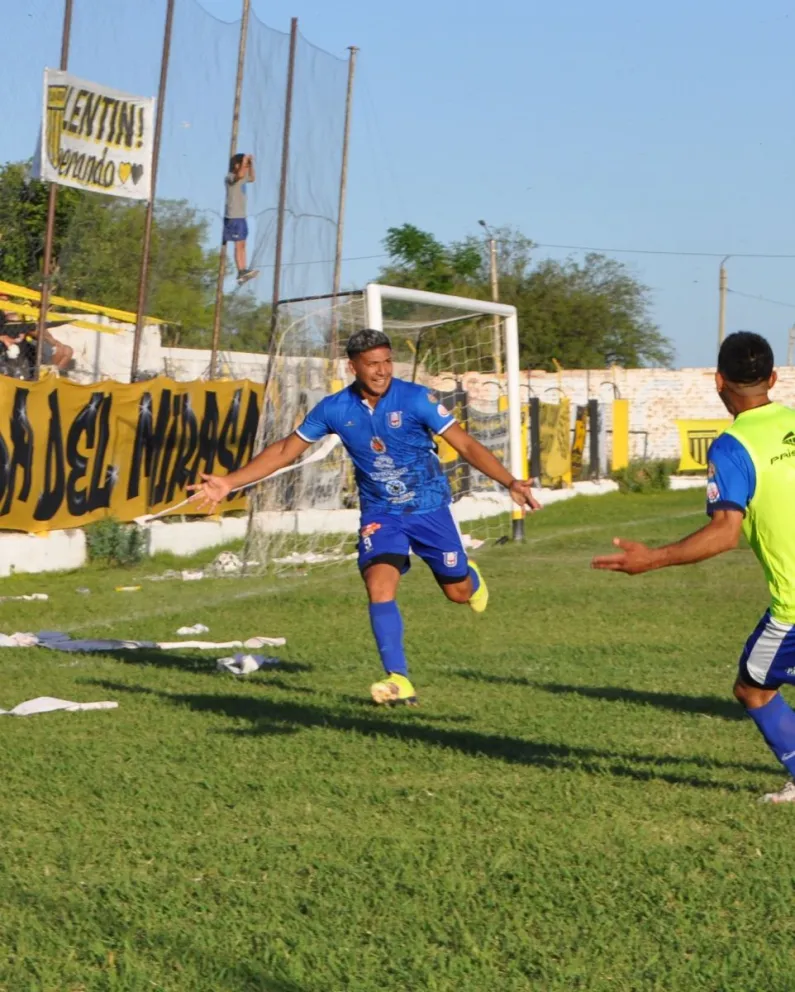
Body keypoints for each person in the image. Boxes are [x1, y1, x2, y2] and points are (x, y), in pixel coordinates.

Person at [190, 328, 541, 705]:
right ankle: (398, 679)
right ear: (352, 366)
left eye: (387, 361)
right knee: (379, 585)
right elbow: (283, 451)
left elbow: (466, 443)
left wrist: (509, 481)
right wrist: (230, 481)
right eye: (373, 364)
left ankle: (468, 575)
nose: (382, 370)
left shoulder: (416, 399)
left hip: (429, 509)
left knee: (458, 593)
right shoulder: (333, 408)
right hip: (380, 513)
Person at [592, 330, 795, 803]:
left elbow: (725, 532)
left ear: (718, 380)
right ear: (774, 378)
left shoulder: (732, 446)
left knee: (753, 689)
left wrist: (651, 559)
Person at [223, 152, 258, 286]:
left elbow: (252, 178)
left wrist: (250, 163)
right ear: (236, 165)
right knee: (238, 244)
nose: (246, 167)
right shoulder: (230, 177)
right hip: (233, 217)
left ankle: (244, 269)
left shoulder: (243, 177)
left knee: (243, 244)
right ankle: (240, 271)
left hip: (241, 217)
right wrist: (244, 161)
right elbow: (241, 175)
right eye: (243, 165)